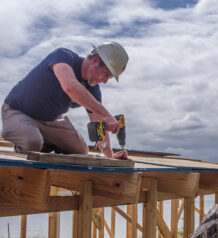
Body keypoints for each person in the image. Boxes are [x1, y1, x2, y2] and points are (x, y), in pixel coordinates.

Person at [1, 42, 130, 160]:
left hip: (50, 121)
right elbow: (70, 87)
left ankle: (45, 142)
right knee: (32, 143)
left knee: (81, 151)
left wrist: (110, 158)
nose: (105, 81)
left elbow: (99, 125)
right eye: (106, 74)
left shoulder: (93, 89)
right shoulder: (64, 56)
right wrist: (107, 114)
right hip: (18, 110)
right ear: (96, 60)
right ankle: (23, 139)